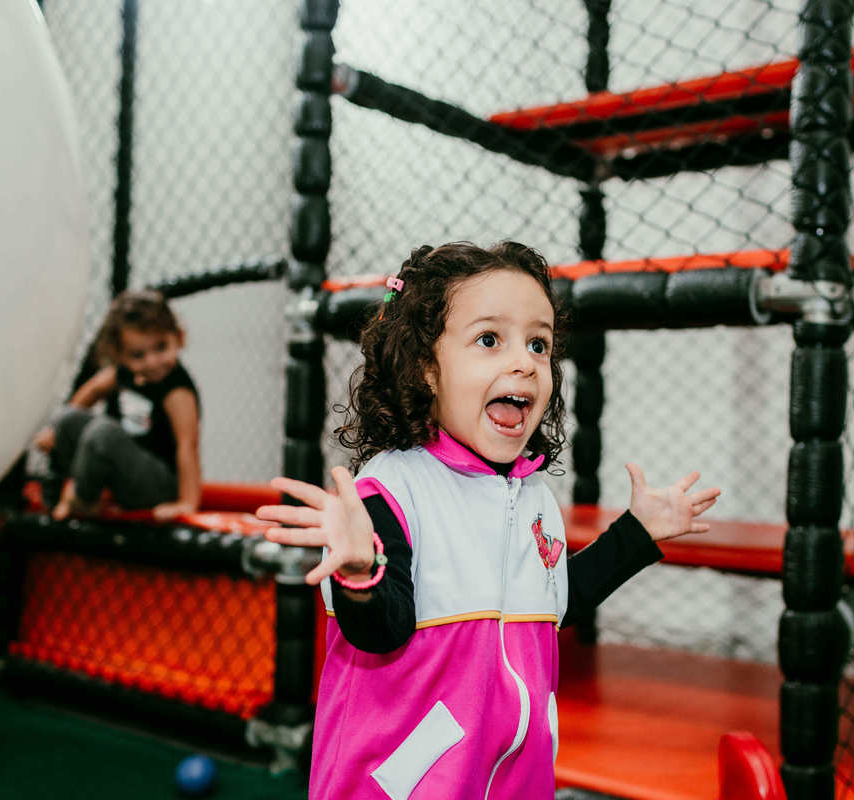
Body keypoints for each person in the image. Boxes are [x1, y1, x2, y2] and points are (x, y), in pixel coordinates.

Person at [255, 242, 720, 799]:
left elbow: (555, 602)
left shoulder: (533, 496)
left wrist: (636, 533)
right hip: (406, 781)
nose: (524, 361)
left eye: (539, 343)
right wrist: (361, 570)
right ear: (427, 369)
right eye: (489, 340)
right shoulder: (391, 491)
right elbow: (382, 628)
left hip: (512, 776)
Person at [34, 289, 201, 522]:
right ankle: (53, 500)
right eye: (138, 355)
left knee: (103, 433)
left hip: (157, 486)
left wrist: (187, 503)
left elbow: (188, 445)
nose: (151, 361)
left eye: (161, 347)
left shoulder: (176, 389)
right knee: (68, 419)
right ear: (120, 355)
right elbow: (91, 390)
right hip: (122, 475)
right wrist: (56, 431)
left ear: (179, 338)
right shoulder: (122, 374)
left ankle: (82, 500)